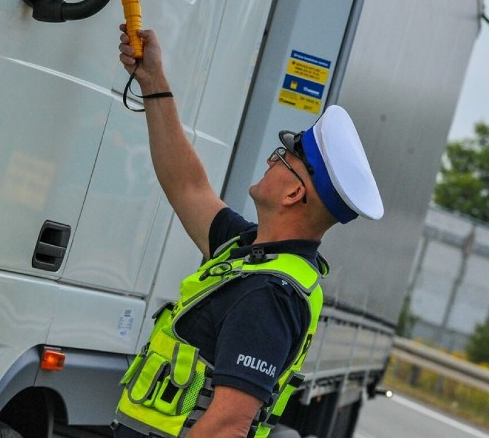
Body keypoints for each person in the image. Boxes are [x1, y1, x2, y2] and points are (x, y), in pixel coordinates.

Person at [111, 26, 384, 438]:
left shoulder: (267, 297)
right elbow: (188, 187)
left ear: (295, 192)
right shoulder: (248, 253)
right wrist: (153, 82)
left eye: (284, 157)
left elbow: (227, 425)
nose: (272, 161)